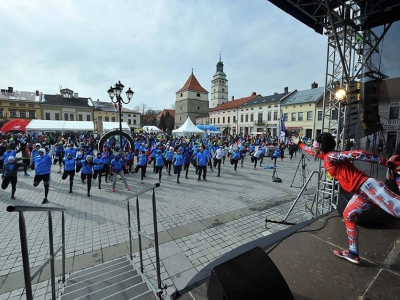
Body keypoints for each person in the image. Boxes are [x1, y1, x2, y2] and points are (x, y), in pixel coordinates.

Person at [292, 132, 400, 265]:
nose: (312, 147)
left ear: (320, 146)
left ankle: (397, 172)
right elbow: (312, 152)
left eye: (315, 144)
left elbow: (360, 154)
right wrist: (299, 144)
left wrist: (386, 162)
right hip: (361, 192)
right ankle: (353, 253)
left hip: (368, 187)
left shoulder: (332, 156)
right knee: (348, 215)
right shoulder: (326, 156)